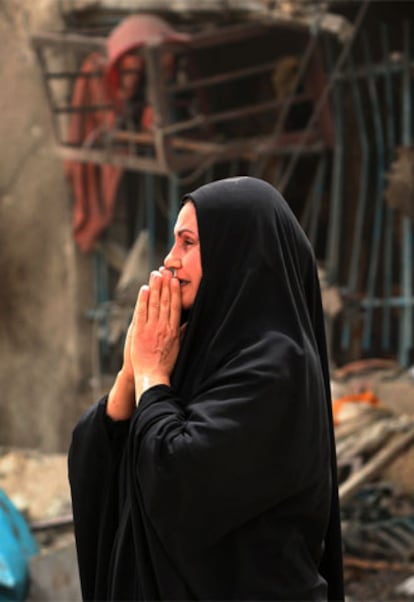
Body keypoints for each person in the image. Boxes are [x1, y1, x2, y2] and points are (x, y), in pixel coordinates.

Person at [68, 176, 344, 601]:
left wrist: (151, 379)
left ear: (238, 252)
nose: (170, 260)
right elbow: (101, 456)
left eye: (188, 243)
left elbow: (181, 479)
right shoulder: (193, 352)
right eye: (174, 242)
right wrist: (130, 373)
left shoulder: (277, 369)